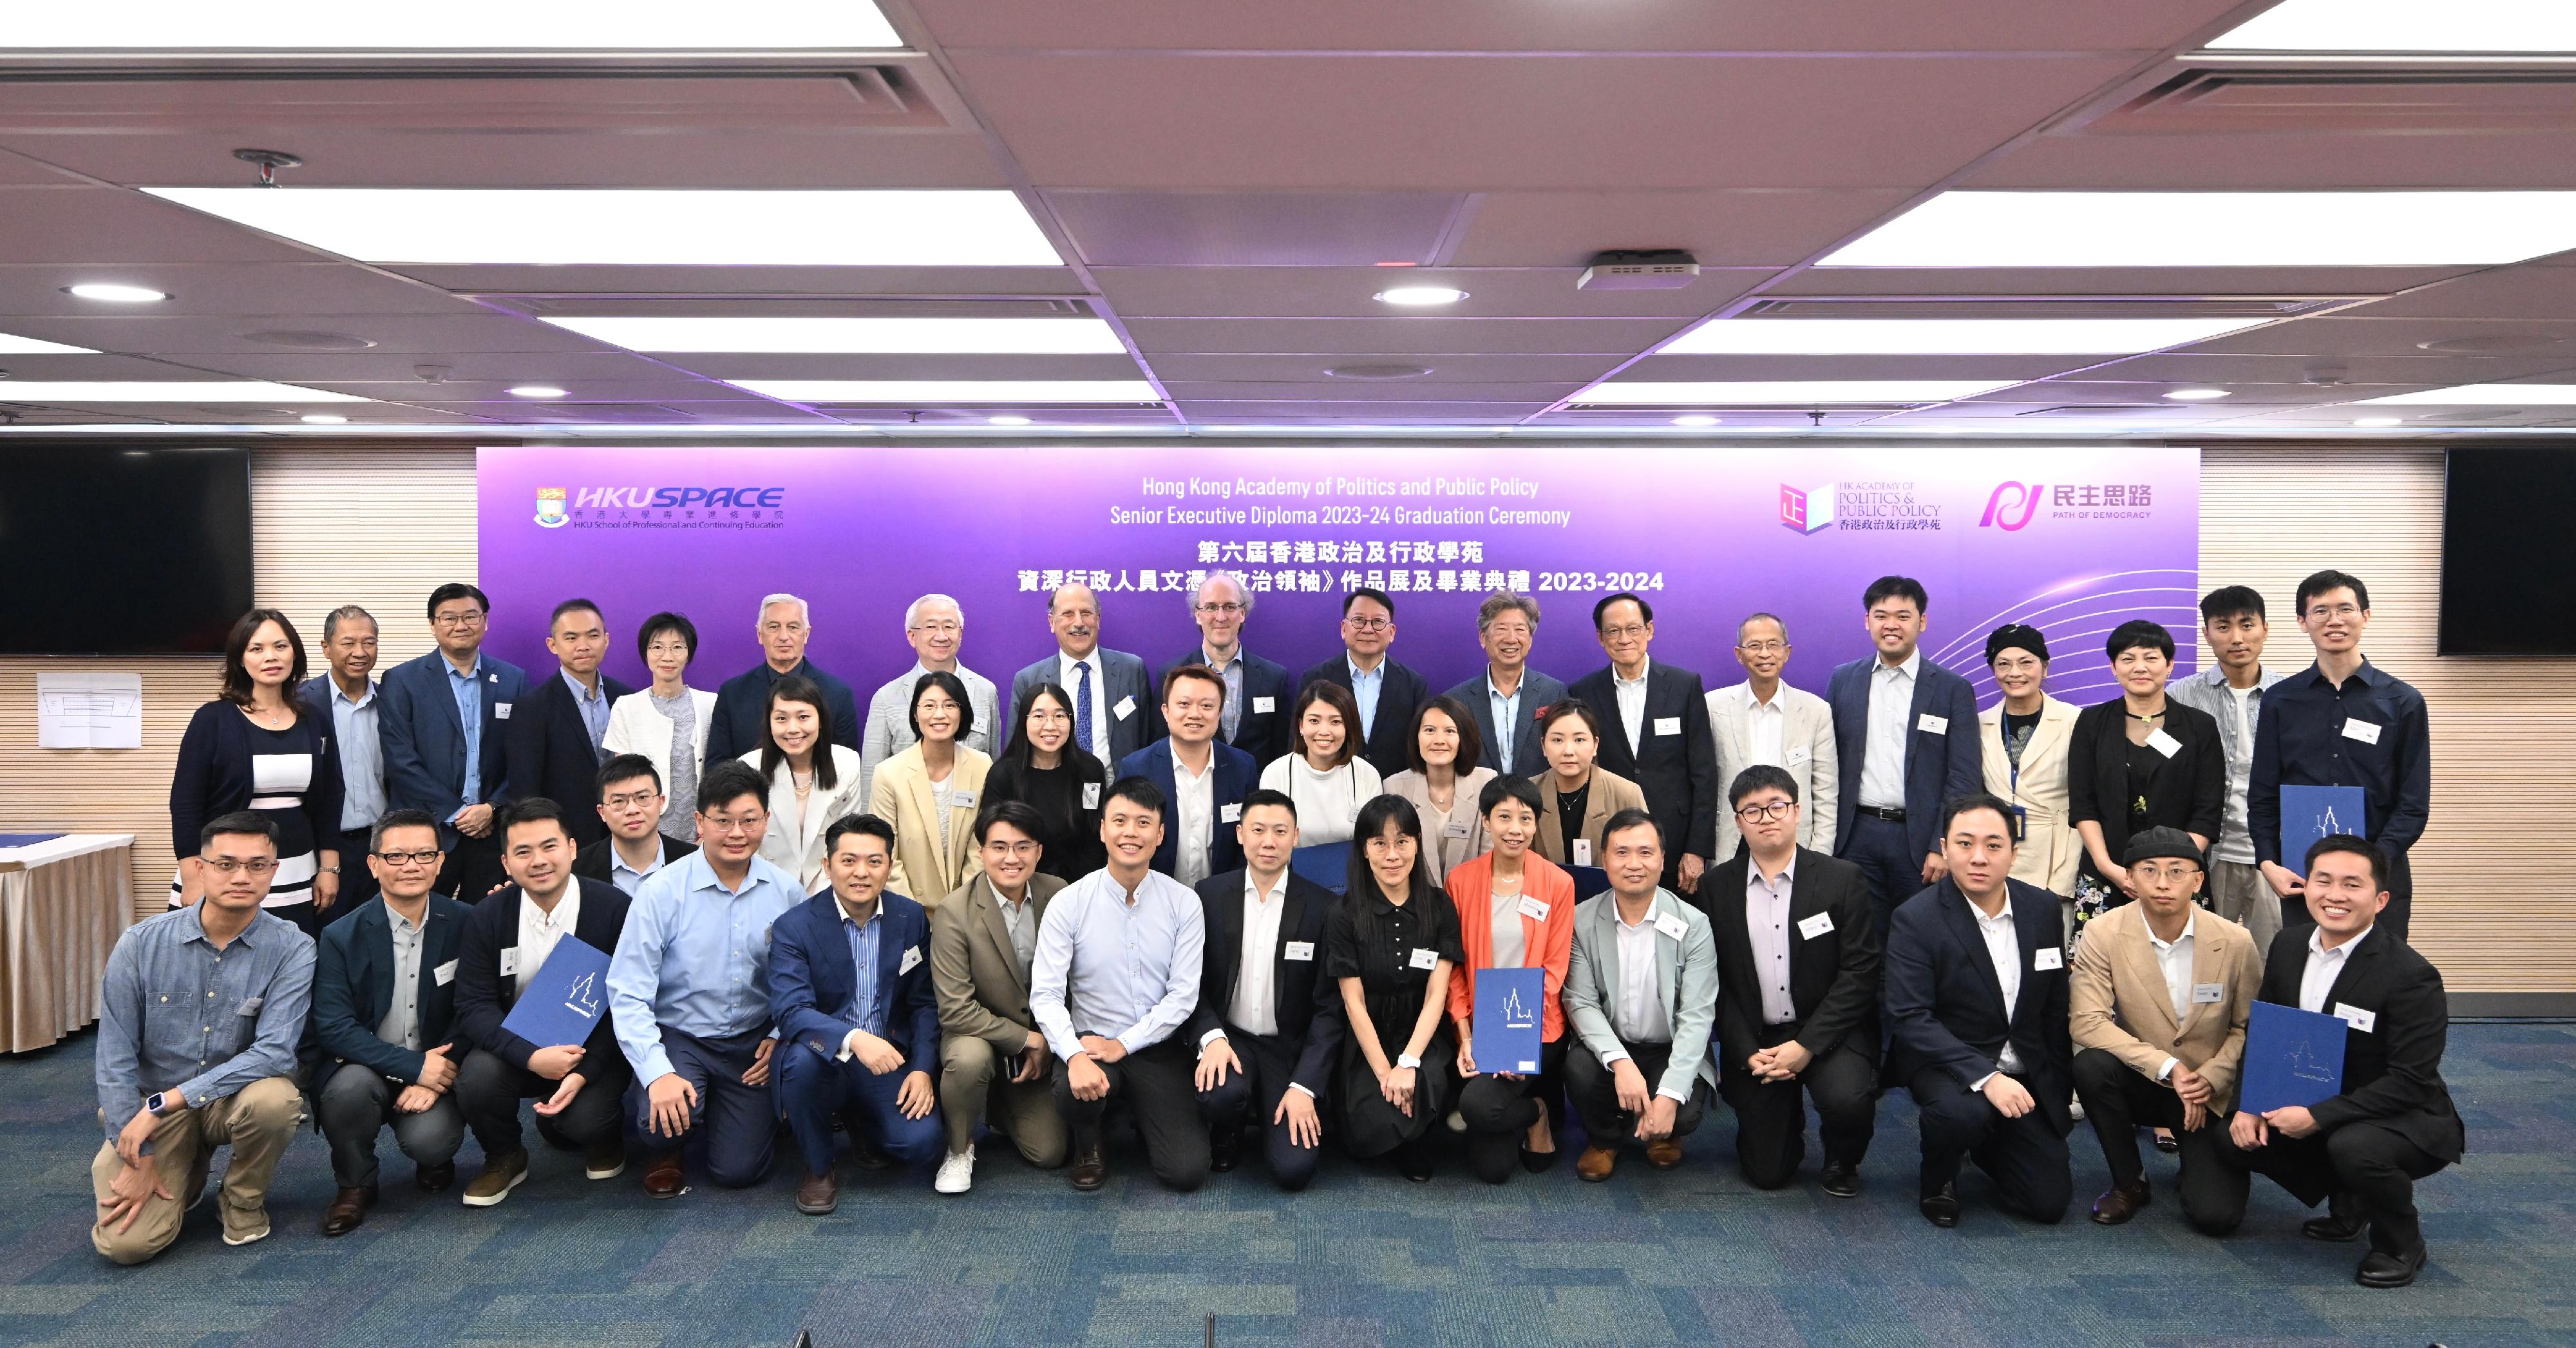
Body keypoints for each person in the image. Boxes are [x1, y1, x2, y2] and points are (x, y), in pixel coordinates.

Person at [2206, 836, 2465, 1289]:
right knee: (2231, 1136)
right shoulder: (2287, 945)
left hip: (2402, 1114)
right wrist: (2250, 1103)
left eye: (2352, 884)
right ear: (2306, 887)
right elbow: (2266, 1032)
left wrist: (2317, 1116)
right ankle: (2351, 1198)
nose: (2335, 895)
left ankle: (2400, 1241)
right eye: (2323, 880)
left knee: (2353, 1146)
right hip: (2316, 1095)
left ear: (2380, 899)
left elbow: (2410, 1080)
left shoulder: (2410, 975)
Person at [90, 812, 312, 1264]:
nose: (241, 876)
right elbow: (114, 1058)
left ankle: (242, 1198)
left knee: (278, 1100)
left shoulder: (293, 946)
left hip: (228, 1100)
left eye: (256, 865)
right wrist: (138, 1148)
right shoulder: (140, 943)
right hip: (152, 1108)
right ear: (199, 868)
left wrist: (168, 1101)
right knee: (125, 1247)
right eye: (226, 863)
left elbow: (274, 1051)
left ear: (274, 871)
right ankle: (185, 1166)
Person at [607, 760, 804, 1197]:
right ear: (699, 822)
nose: (737, 832)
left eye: (749, 820)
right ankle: (666, 1145)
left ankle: (728, 1112)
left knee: (739, 1171)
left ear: (766, 821)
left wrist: (779, 1033)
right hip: (682, 1035)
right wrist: (657, 1072)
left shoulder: (787, 891)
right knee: (659, 1123)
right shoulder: (661, 892)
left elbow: (802, 981)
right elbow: (627, 992)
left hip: (751, 1042)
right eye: (723, 821)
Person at [1882, 793, 2073, 1228]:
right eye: (1965, 844)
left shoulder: (2042, 909)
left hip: (2021, 1065)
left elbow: (2053, 1008)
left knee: (2048, 1203)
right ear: (1946, 847)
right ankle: (1939, 1176)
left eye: (1993, 845)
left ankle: (1986, 1142)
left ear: (2013, 852)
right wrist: (1986, 1078)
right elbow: (1910, 1016)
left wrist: (2056, 1093)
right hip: (1946, 1062)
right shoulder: (1916, 917)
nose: (1979, 857)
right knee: (1963, 1112)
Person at [2068, 826, 2264, 1228]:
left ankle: (2195, 1167)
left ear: (2198, 880)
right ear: (2130, 878)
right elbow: (2088, 1022)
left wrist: (2210, 1076)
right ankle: (2129, 1181)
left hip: (2207, 1093)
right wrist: (2168, 1068)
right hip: (2143, 1079)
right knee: (2091, 1066)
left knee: (2217, 1218)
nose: (2162, 884)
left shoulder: (2236, 941)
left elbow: (2250, 1027)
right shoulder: (2102, 932)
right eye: (2149, 871)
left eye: (2177, 872)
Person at [1701, 766, 1882, 1195]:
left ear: (1798, 811)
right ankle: (1784, 1120)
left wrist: (1807, 1046)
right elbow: (1716, 981)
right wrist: (1746, 1052)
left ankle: (1842, 1156)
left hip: (1828, 1029)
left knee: (1847, 1100)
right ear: (1738, 821)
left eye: (1777, 805)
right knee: (1768, 1174)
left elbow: (1860, 973)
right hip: (1758, 1037)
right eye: (1752, 810)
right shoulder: (1716, 887)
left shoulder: (1842, 878)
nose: (1766, 817)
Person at [1031, 777, 1211, 1192]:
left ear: (1161, 834)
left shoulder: (1184, 902)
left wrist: (1125, 1044)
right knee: (1070, 1087)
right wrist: (1074, 1054)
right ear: (1102, 829)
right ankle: (1089, 1142)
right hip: (1092, 1044)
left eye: (1144, 822)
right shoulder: (1070, 902)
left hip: (1155, 1046)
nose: (1131, 832)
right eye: (1120, 821)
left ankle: (1133, 1113)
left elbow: (1184, 995)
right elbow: (1046, 994)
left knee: (1185, 1172)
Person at [451, 797, 634, 1207]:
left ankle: (602, 1138)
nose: (538, 861)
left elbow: (627, 1002)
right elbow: (474, 1006)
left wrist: (584, 1070)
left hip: (593, 1049)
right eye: (523, 851)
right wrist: (532, 1058)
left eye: (549, 846)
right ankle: (505, 1155)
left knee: (586, 1123)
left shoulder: (613, 909)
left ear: (572, 848)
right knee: (477, 1077)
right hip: (515, 1049)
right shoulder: (488, 916)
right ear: (506, 863)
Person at [771, 814, 945, 1213]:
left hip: (889, 1057)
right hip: (822, 1054)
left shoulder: (910, 916)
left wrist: (921, 1068)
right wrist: (854, 1039)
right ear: (827, 866)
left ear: (889, 864)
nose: (861, 873)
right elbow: (792, 1011)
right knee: (799, 1062)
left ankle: (861, 1118)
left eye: (874, 861)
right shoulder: (794, 927)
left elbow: (923, 1002)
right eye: (848, 861)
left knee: (920, 1145)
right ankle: (818, 1167)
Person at [309, 808, 470, 1236]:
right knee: (347, 1092)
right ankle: (355, 1183)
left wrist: (432, 1074)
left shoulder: (467, 923)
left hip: (436, 1063)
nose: (411, 866)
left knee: (432, 1139)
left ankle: (435, 1159)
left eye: (423, 854)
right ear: (373, 864)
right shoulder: (342, 934)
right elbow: (334, 1026)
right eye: (397, 856)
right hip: (367, 1063)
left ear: (440, 861)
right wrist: (411, 1068)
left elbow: (475, 1007)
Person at [2249, 570, 2432, 942]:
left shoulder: (2402, 701)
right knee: (2308, 977)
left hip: (2381, 871)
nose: (2334, 620)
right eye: (2320, 611)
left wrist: (2374, 864)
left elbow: (2413, 802)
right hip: (2306, 873)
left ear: (2366, 615)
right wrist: (2268, 860)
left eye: (2345, 609)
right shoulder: (2281, 700)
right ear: (2303, 622)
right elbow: (2263, 792)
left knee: (2377, 982)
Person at [1190, 789, 1344, 1190]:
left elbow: (1330, 1009)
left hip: (1286, 1048)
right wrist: (1211, 1038)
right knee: (1220, 1095)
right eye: (1258, 830)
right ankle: (1230, 1126)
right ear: (1240, 834)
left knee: (1294, 1171)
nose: (1268, 842)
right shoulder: (1208, 895)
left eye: (1280, 831)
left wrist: (1305, 1085)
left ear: (1297, 836)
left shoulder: (1322, 906)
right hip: (1231, 1038)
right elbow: (1190, 984)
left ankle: (1274, 1105)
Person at [1563, 810, 1721, 1181]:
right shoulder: (1580, 920)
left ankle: (1665, 1135)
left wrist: (1669, 1095)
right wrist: (1620, 1062)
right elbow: (1580, 1001)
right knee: (1580, 1070)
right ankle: (1604, 1140)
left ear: (1663, 860)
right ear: (1604, 859)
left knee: (1681, 1110)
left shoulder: (1693, 925)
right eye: (1622, 853)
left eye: (1646, 853)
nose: (1634, 864)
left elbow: (1697, 1015)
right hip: (1611, 1043)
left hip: (1670, 1045)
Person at [171, 608, 345, 933]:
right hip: (227, 869)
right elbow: (185, 805)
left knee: (291, 963)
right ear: (241, 659)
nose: (271, 657)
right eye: (257, 649)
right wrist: (194, 877)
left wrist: (329, 868)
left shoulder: (314, 720)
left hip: (295, 867)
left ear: (295, 653)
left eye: (280, 646)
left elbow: (330, 800)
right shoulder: (213, 720)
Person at [928, 802, 1072, 1193]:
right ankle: (959, 1148)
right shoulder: (954, 911)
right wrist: (1028, 1040)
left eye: (1023, 847)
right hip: (979, 1034)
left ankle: (997, 1105)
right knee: (969, 1059)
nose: (1012, 858)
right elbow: (955, 1010)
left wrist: (1054, 1040)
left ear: (1039, 852)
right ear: (981, 852)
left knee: (1050, 1153)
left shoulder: (1057, 892)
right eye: (999, 847)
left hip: (1042, 1040)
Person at [1444, 777, 1577, 1184]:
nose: (1514, 829)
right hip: (1478, 1027)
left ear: (1536, 824)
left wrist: (1515, 1041)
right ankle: (1526, 1109)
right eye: (1504, 817)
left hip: (1536, 1029)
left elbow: (1554, 971)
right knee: (1493, 1167)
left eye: (1525, 818)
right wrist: (1467, 1036)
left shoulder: (1557, 883)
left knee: (1481, 1111)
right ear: (1485, 821)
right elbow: (1455, 970)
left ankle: (1534, 1111)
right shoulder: (1461, 881)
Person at [1828, 576, 1982, 922]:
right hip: (1855, 837)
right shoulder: (1843, 680)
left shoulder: (1951, 689)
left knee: (1919, 937)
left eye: (1903, 615)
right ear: (1867, 621)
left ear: (1922, 622)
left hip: (1919, 840)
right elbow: (1827, 762)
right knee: (1861, 940)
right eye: (1881, 615)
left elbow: (1963, 775)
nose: (1891, 625)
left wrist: (1941, 843)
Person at [1327, 795, 1464, 1182]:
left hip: (1422, 1031)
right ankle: (1409, 1127)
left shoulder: (1439, 906)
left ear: (1418, 845)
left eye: (1402, 841)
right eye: (1380, 843)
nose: (1392, 855)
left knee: (1425, 1083)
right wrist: (1387, 1072)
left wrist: (1409, 1062)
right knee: (1363, 1119)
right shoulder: (1343, 913)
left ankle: (1415, 1135)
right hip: (1367, 1033)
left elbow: (1437, 993)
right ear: (1364, 851)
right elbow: (1353, 1002)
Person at [2068, 621, 2226, 933]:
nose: (2140, 667)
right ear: (2114, 667)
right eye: (2128, 659)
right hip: (2108, 874)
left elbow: (2208, 809)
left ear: (2169, 665)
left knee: (2183, 970)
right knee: (2101, 973)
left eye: (2151, 658)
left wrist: (2176, 870)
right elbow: (2083, 803)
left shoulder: (2199, 727)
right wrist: (2108, 867)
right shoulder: (2091, 723)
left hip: (2180, 879)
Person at [381, 583, 527, 900]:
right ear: (432, 624)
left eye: (470, 616)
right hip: (424, 834)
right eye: (448, 618)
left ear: (485, 621)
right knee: (422, 922)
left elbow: (523, 756)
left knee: (486, 925)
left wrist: (491, 807)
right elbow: (400, 760)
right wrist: (459, 813)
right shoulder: (402, 680)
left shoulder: (513, 679)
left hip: (492, 834)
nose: (461, 626)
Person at [1567, 593, 1718, 895]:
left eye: (1633, 628)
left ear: (1649, 630)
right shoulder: (1583, 691)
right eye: (1613, 631)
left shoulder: (1684, 685)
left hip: (1674, 844)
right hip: (1611, 840)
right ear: (1600, 637)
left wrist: (1696, 850)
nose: (1624, 639)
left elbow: (1704, 773)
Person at [2169, 585, 2290, 958]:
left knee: (2275, 955)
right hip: (2208, 851)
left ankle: (2269, 1021)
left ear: (2265, 629)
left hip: (2274, 852)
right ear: (2207, 634)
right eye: (2223, 627)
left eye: (2247, 624)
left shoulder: (2292, 695)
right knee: (2203, 955)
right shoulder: (2180, 696)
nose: (2236, 638)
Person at [1707, 612, 1837, 862]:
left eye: (1773, 645)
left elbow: (1826, 791)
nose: (1764, 654)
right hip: (1732, 842)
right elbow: (1703, 786)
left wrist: (1819, 855)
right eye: (1754, 646)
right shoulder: (1713, 707)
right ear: (1739, 654)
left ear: (1786, 652)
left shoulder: (1815, 711)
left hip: (1796, 840)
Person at [506, 598, 635, 847]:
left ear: (606, 640)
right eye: (571, 638)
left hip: (626, 830)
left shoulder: (627, 697)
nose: (583, 646)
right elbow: (526, 787)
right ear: (553, 645)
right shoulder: (532, 707)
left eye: (592, 636)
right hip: (567, 835)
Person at [1974, 624, 2081, 923]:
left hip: (2054, 857)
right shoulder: (1979, 724)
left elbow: (2086, 801)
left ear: (2045, 668)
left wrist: (2065, 875)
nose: (2015, 673)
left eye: (2026, 662)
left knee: (2048, 951)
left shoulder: (2075, 721)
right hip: (1997, 852)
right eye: (2003, 664)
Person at [1118, 665, 1258, 888]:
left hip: (1222, 899)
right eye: (1184, 704)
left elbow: (1250, 842)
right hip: (1152, 896)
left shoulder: (1242, 767)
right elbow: (1125, 842)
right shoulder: (1137, 768)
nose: (1195, 714)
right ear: (1165, 711)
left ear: (1219, 713)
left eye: (1207, 706)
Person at [858, 593, 999, 799]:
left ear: (960, 634)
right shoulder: (887, 698)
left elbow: (993, 766)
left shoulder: (985, 692)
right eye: (931, 627)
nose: (941, 636)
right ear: (911, 636)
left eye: (950, 627)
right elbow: (872, 780)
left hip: (972, 822)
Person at [869, 671, 992, 905]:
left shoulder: (982, 766)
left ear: (962, 712)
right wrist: (910, 911)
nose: (939, 714)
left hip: (966, 905)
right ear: (915, 715)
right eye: (929, 705)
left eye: (949, 705)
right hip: (908, 906)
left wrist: (961, 906)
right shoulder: (889, 773)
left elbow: (981, 845)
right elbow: (884, 851)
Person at [1007, 583, 1157, 768]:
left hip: (1119, 790)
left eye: (1086, 613)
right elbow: (1017, 752)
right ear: (1052, 622)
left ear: (1098, 620)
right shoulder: (1029, 680)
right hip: (1054, 790)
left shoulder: (1132, 670)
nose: (1079, 623)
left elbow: (1147, 743)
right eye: (1068, 614)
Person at [743, 675, 867, 893]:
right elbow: (747, 841)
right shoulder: (748, 767)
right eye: (781, 719)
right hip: (765, 887)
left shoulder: (847, 763)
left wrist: (820, 900)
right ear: (769, 722)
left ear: (820, 720)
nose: (792, 729)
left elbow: (847, 838)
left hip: (830, 887)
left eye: (803, 717)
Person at [299, 603, 385, 915]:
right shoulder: (301, 704)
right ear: (326, 648)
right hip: (324, 847)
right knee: (328, 937)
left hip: (383, 845)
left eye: (369, 642)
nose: (359, 652)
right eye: (348, 643)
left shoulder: (393, 700)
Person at [704, 593, 861, 763]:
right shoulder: (732, 693)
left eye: (793, 627)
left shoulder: (838, 694)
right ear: (759, 634)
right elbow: (717, 766)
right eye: (774, 627)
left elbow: (845, 765)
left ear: (806, 634)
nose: (784, 637)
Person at [603, 611, 717, 844]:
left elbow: (719, 771)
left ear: (688, 654)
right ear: (646, 653)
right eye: (657, 647)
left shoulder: (711, 704)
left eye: (677, 647)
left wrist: (712, 824)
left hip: (701, 829)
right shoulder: (626, 707)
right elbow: (623, 779)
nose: (668, 656)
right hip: (647, 829)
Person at [1296, 587, 1429, 779]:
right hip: (1330, 789)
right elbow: (1298, 744)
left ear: (1391, 632)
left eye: (1378, 622)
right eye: (1359, 620)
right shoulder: (1315, 679)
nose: (1368, 629)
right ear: (1344, 628)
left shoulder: (1414, 684)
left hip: (1393, 796)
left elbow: (1420, 748)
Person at [985, 681, 1107, 880]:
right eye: (1039, 717)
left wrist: (1084, 890)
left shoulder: (1089, 772)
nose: (1050, 726)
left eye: (1059, 716)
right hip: (1019, 883)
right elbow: (994, 842)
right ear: (1024, 722)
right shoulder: (1003, 775)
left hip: (1078, 886)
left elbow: (1093, 833)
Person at [1174, 571, 1293, 768]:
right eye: (1211, 607)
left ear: (1243, 613)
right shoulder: (1174, 675)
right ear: (1198, 614)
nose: (1221, 617)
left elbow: (1282, 752)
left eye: (1229, 607)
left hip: (1257, 793)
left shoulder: (1275, 678)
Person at [1443, 591, 1566, 779]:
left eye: (1520, 629)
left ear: (1530, 639)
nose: (1511, 638)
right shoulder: (1456, 700)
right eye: (1501, 629)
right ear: (1483, 638)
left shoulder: (1555, 692)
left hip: (1542, 802)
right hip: (1478, 803)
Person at [1383, 695, 1499, 884]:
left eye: (1450, 731)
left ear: (1463, 738)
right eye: (1429, 730)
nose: (1439, 740)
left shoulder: (1486, 782)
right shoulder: (1394, 787)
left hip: (1471, 897)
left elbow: (1490, 858)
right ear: (1416, 738)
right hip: (1414, 902)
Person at [1258, 681, 1383, 848]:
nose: (1324, 731)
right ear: (1301, 725)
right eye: (1314, 721)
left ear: (1349, 727)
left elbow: (1373, 840)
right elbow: (1270, 840)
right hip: (1292, 870)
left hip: (1352, 870)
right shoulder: (1275, 774)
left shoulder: (1367, 775)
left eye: (1335, 722)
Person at [1530, 699, 1647, 869]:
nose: (1568, 751)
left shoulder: (1626, 793)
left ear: (1595, 745)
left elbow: (1644, 857)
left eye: (1579, 740)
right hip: (1545, 894)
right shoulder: (1529, 794)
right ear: (1544, 745)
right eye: (1557, 740)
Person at [573, 754, 699, 893]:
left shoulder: (695, 861)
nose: (632, 810)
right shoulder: (577, 870)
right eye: (619, 801)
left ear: (661, 802)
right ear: (602, 812)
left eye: (643, 797)